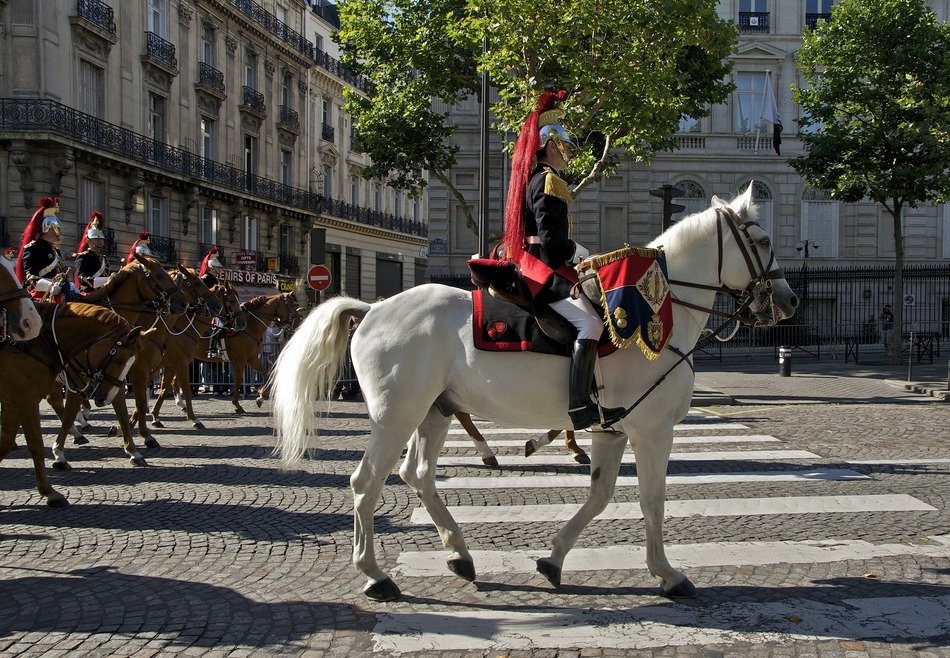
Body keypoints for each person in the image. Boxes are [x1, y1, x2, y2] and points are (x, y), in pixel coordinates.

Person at [501, 90, 623, 431]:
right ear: (551, 145)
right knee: (592, 325)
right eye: (566, 147)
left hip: (535, 263)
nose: (569, 154)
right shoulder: (549, 181)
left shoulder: (536, 179)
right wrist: (579, 253)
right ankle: (580, 405)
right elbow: (553, 245)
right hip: (542, 269)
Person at [16, 195, 81, 302]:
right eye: (55, 227)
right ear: (46, 228)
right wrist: (50, 286)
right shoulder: (32, 249)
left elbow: (61, 275)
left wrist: (69, 284)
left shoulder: (56, 251)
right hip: (40, 296)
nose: (59, 231)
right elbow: (31, 278)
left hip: (59, 294)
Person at [73, 211, 111, 293]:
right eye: (97, 239)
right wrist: (106, 280)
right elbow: (82, 278)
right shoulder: (84, 257)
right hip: (89, 293)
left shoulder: (104, 259)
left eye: (101, 239)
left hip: (103, 293)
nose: (100, 241)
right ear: (89, 240)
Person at [198, 246, 225, 359]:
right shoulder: (205, 278)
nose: (219, 269)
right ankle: (211, 349)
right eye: (217, 267)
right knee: (219, 325)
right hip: (208, 308)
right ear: (211, 267)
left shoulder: (215, 279)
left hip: (216, 307)